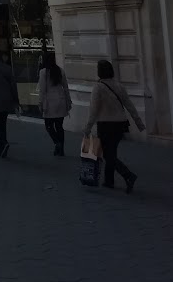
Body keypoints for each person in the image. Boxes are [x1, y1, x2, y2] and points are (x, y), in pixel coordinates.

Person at [84, 59, 145, 192]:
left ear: (99, 72)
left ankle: (128, 175)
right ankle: (109, 180)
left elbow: (93, 110)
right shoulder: (119, 86)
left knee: (108, 155)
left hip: (105, 125)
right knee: (111, 152)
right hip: (120, 124)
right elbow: (129, 105)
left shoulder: (98, 87)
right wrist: (139, 123)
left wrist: (88, 127)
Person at [38, 52, 72, 156]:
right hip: (61, 101)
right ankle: (61, 149)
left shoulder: (43, 72)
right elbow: (65, 87)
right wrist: (68, 101)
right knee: (59, 126)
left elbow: (42, 90)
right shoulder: (60, 70)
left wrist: (40, 102)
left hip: (49, 102)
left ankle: (57, 143)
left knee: (48, 126)